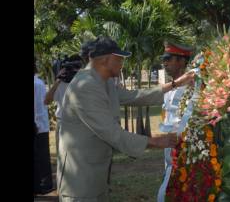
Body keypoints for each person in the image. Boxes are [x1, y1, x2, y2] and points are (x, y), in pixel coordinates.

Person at [57, 36, 195, 202]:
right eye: (119, 58)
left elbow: (136, 96)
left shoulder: (103, 81)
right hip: (80, 179)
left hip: (95, 171)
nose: (122, 63)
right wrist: (156, 142)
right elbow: (112, 133)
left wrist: (175, 84)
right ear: (105, 60)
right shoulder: (85, 86)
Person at [44, 42, 94, 194]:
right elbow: (46, 100)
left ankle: (84, 188)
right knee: (63, 159)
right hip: (63, 125)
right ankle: (63, 189)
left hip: (82, 124)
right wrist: (59, 79)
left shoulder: (84, 81)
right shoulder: (60, 82)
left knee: (82, 158)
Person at [157, 41, 193, 202]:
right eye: (164, 58)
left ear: (181, 61)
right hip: (169, 152)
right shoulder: (170, 87)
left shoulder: (192, 87)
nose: (165, 63)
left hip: (185, 153)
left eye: (168, 58)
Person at [34, 58, 54, 195]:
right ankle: (45, 185)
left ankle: (38, 186)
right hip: (39, 126)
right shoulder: (38, 83)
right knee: (42, 157)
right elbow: (39, 106)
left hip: (38, 124)